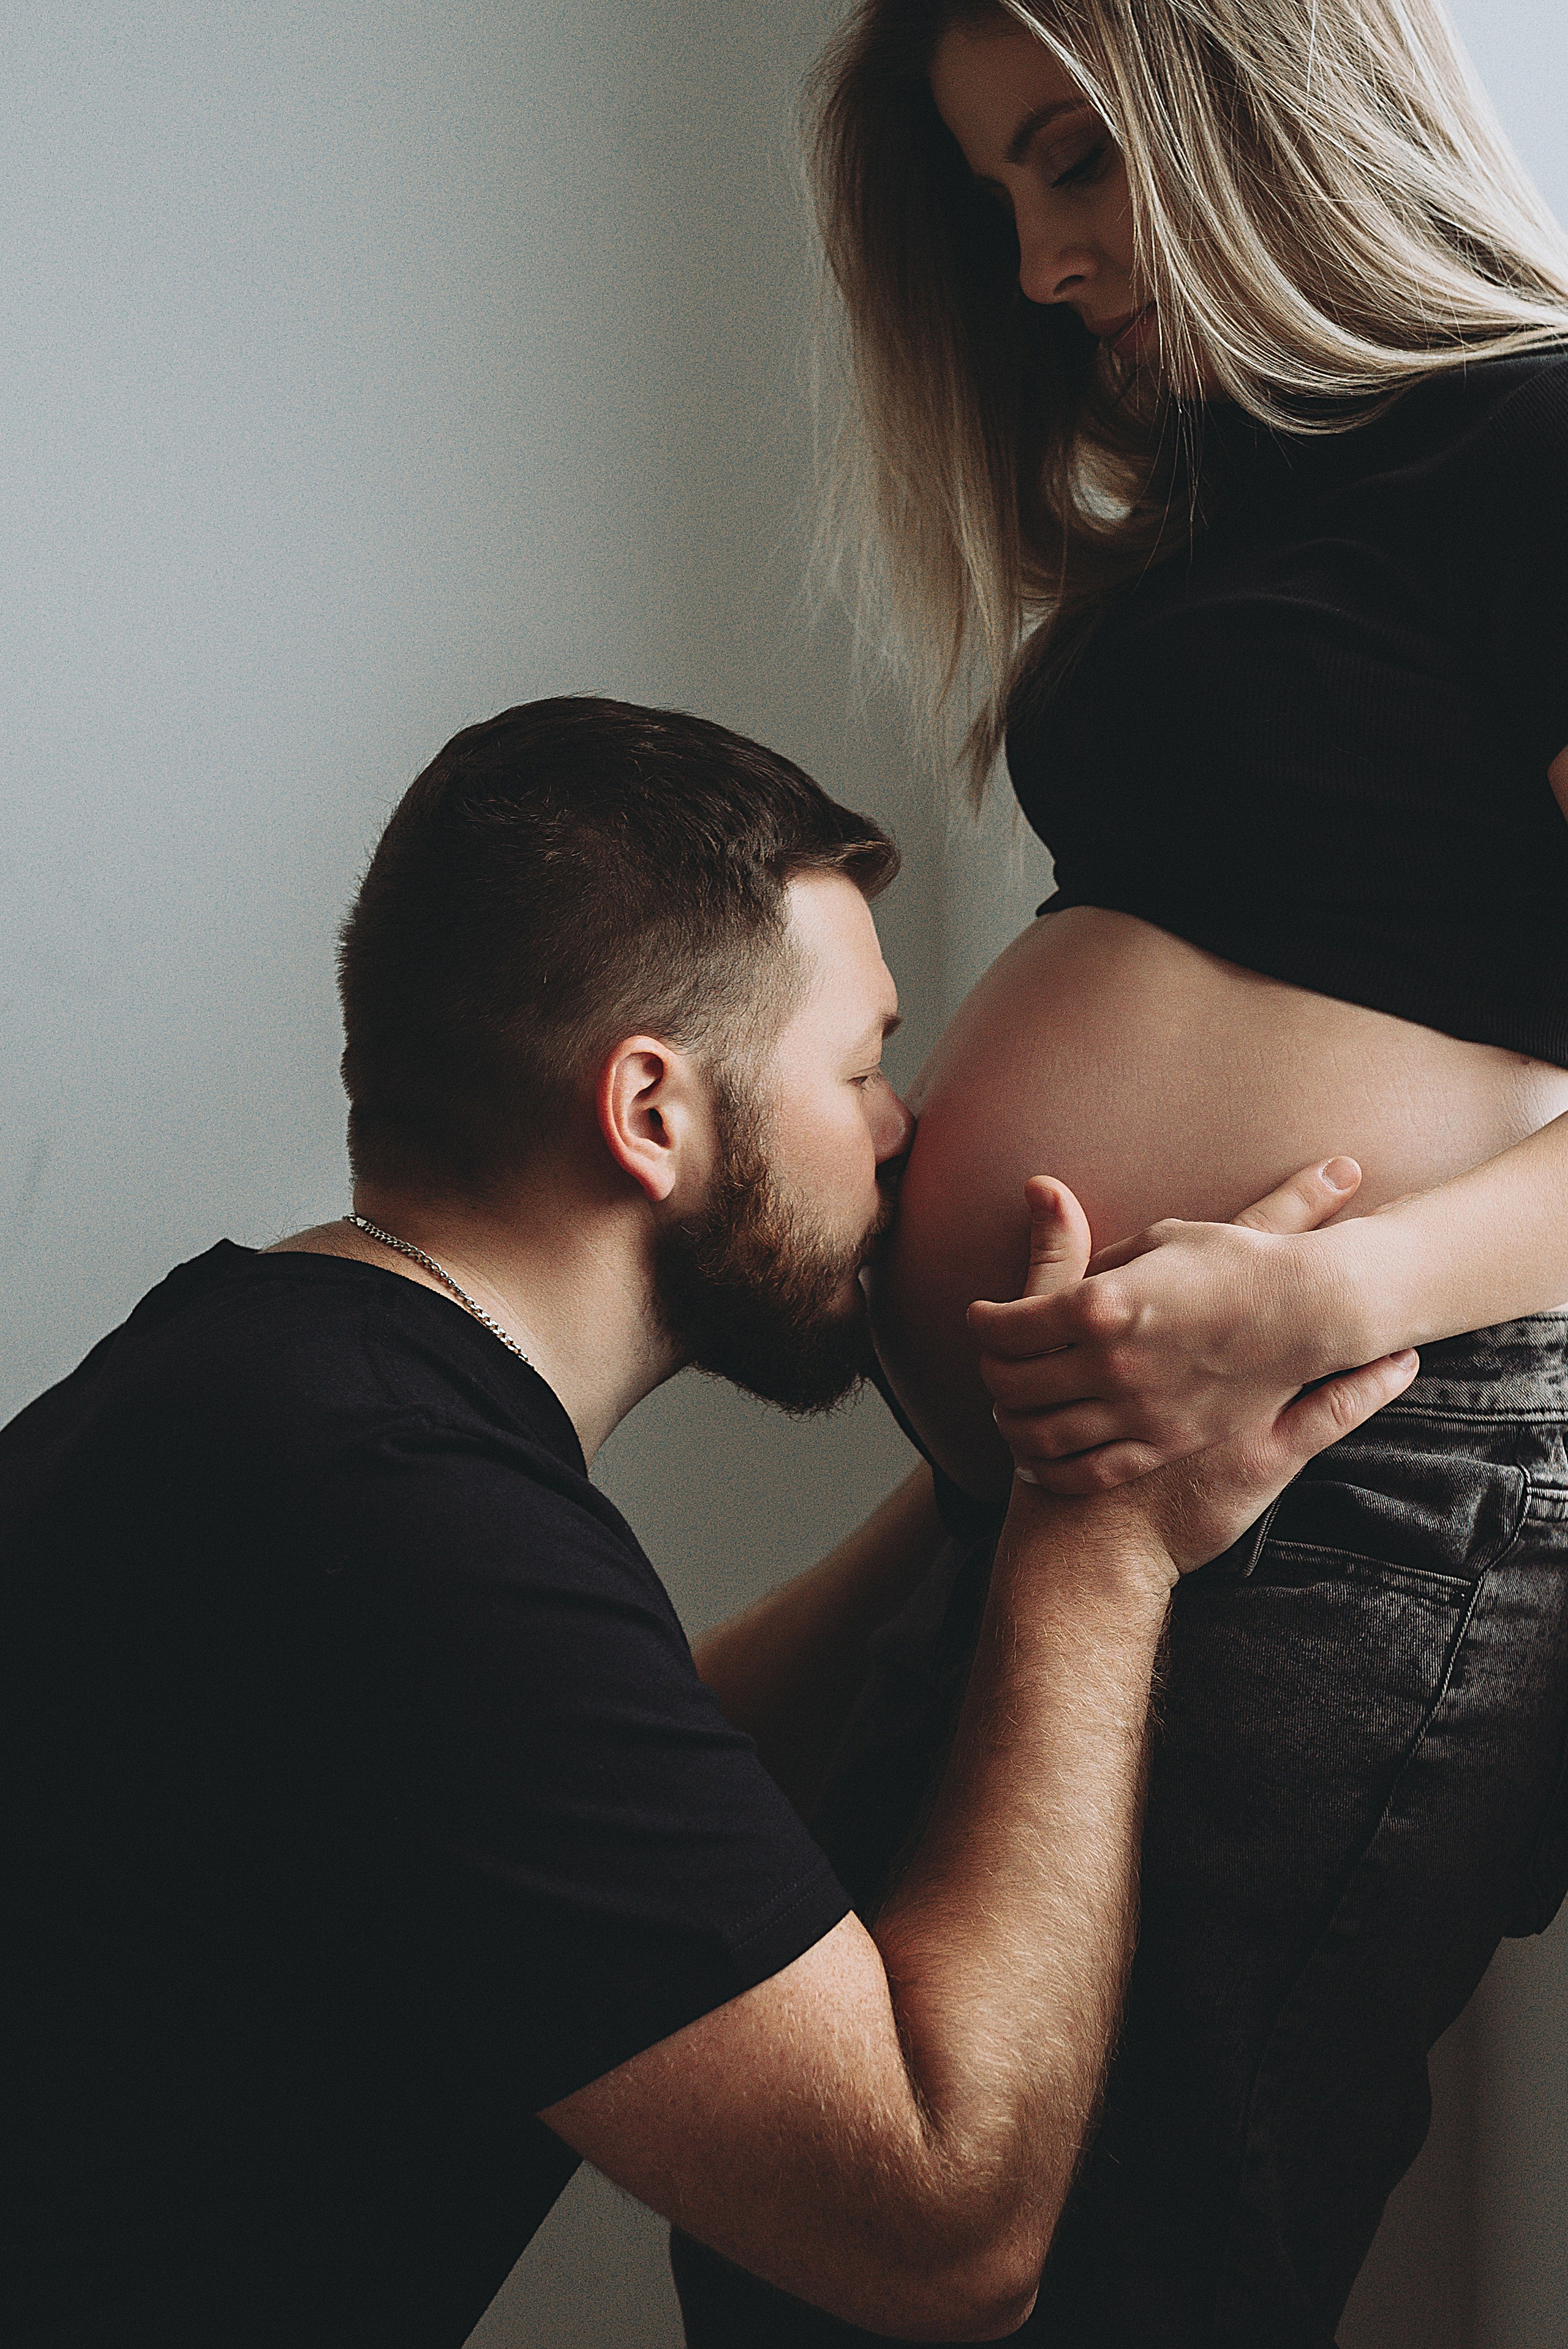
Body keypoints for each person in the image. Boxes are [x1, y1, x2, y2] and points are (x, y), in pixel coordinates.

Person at [0, 695, 1409, 2348]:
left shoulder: (273, 1389)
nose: (899, 1132)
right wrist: (1100, 1542)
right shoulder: (401, 1517)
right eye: (864, 1066)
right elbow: (947, 2229)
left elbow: (636, 1812)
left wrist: (990, 1486)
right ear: (652, 1111)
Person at [668, 4, 1568, 2346]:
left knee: (1102, 2267)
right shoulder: (1243, 514)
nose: (1047, 265)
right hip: (1117, 1489)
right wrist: (1007, 1439)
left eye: (1076, 166)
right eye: (1002, 203)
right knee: (800, 2230)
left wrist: (1313, 1299)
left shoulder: (1545, 444)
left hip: (1355, 1469)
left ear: (1263, 111)